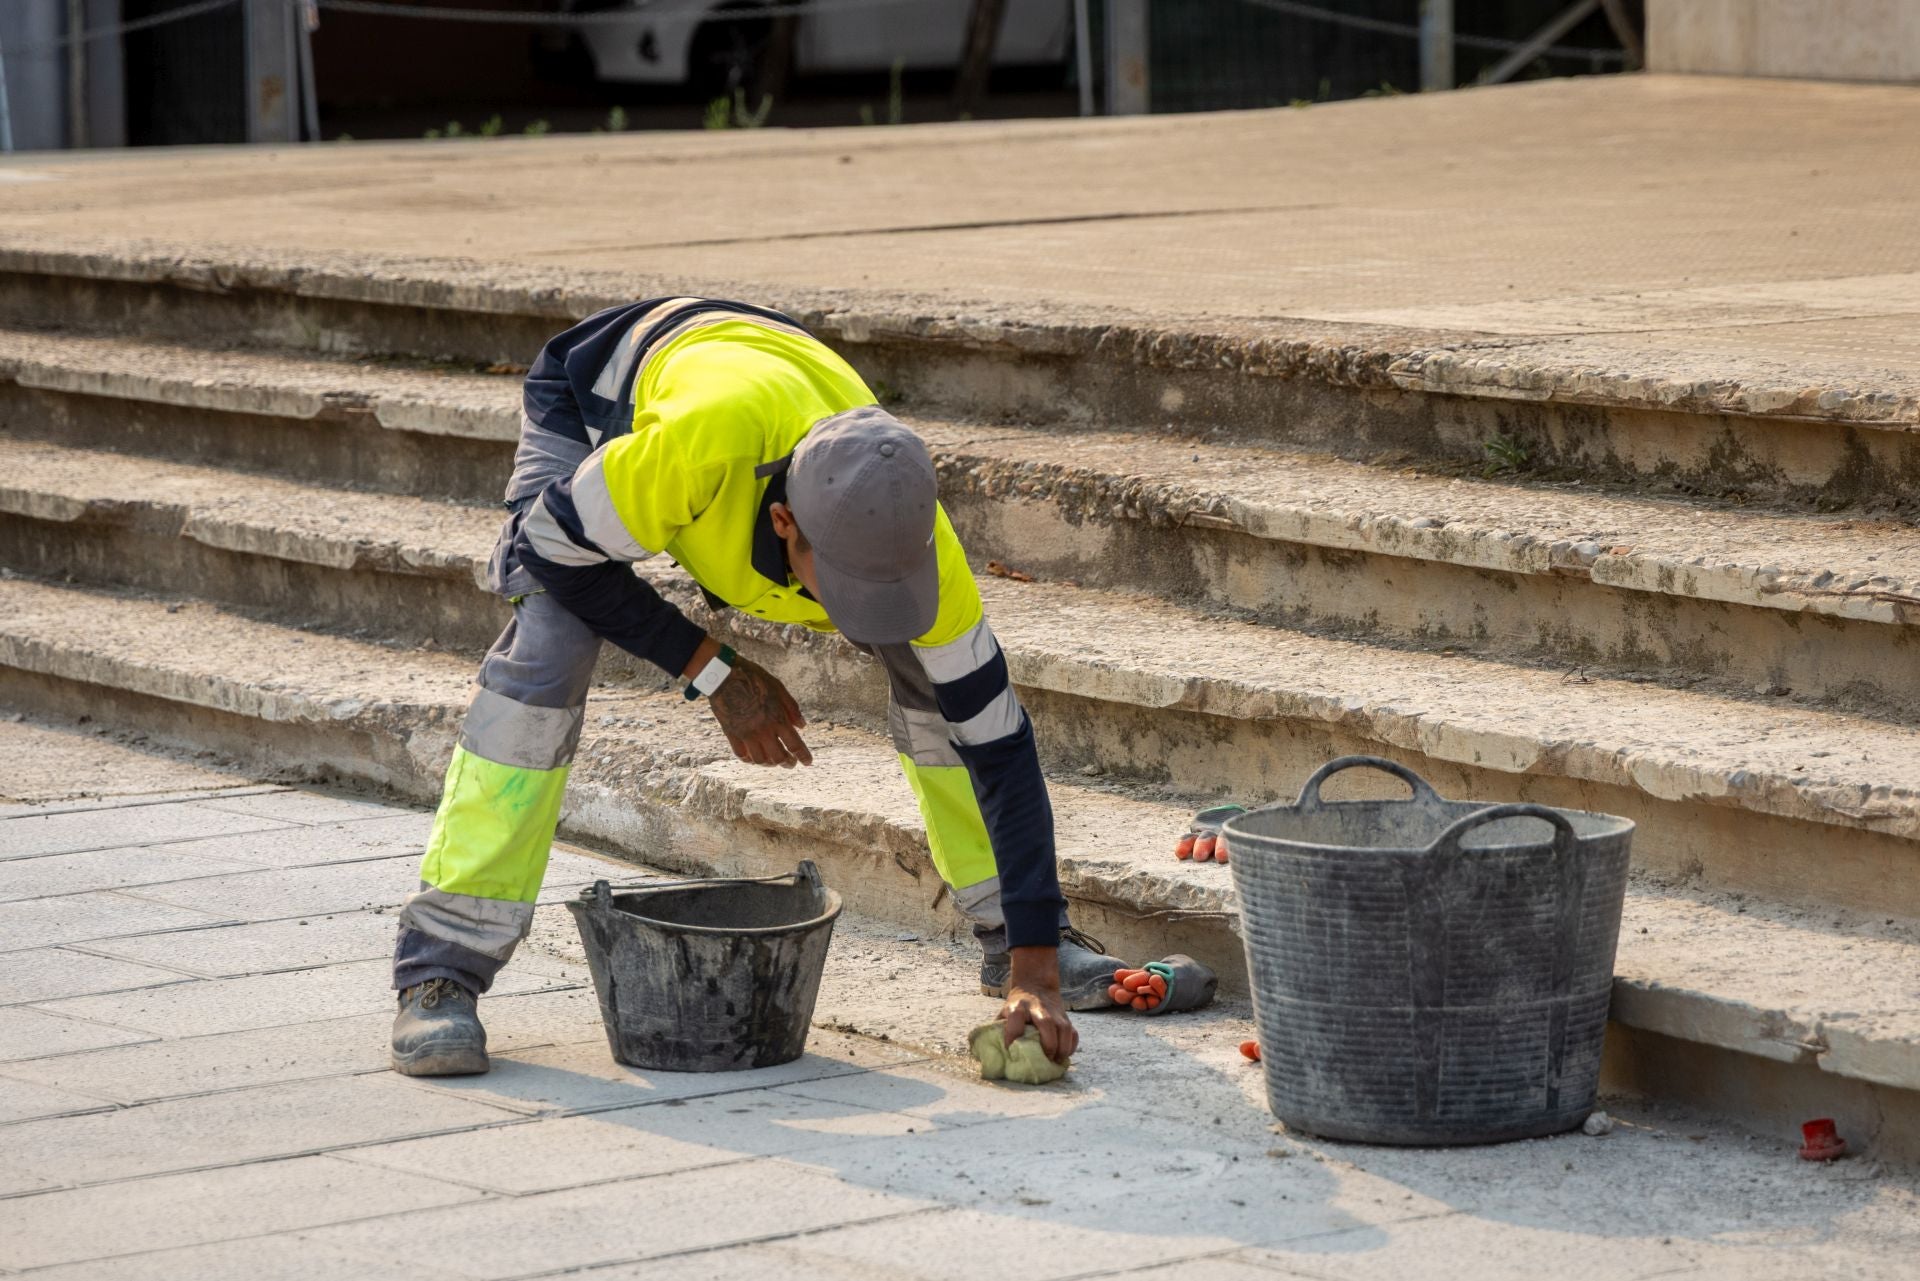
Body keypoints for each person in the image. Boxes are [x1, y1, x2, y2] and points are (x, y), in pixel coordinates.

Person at [390, 296, 1122, 1076]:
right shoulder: (686, 454)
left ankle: (1007, 935)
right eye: (842, 581)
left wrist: (1036, 971)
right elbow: (549, 549)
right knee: (549, 643)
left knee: (934, 678)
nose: (860, 612)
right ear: (782, 524)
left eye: (887, 585)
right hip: (606, 388)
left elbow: (1001, 747)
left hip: (776, 372)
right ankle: (443, 965)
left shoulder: (915, 531)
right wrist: (712, 668)